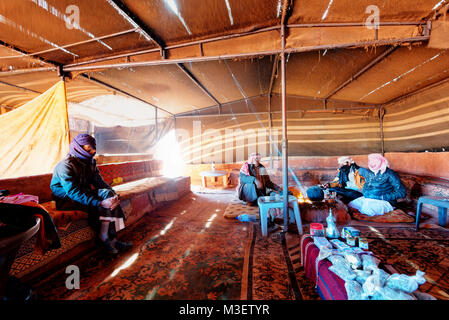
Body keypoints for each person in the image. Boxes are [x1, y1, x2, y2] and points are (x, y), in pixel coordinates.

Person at [50, 134, 132, 254]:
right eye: (88, 149)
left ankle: (112, 239)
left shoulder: (90, 163)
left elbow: (99, 182)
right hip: (66, 199)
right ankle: (104, 238)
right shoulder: (65, 165)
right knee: (101, 205)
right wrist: (99, 202)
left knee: (109, 196)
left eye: (93, 148)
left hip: (83, 192)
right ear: (78, 148)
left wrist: (114, 195)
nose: (93, 151)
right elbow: (73, 192)